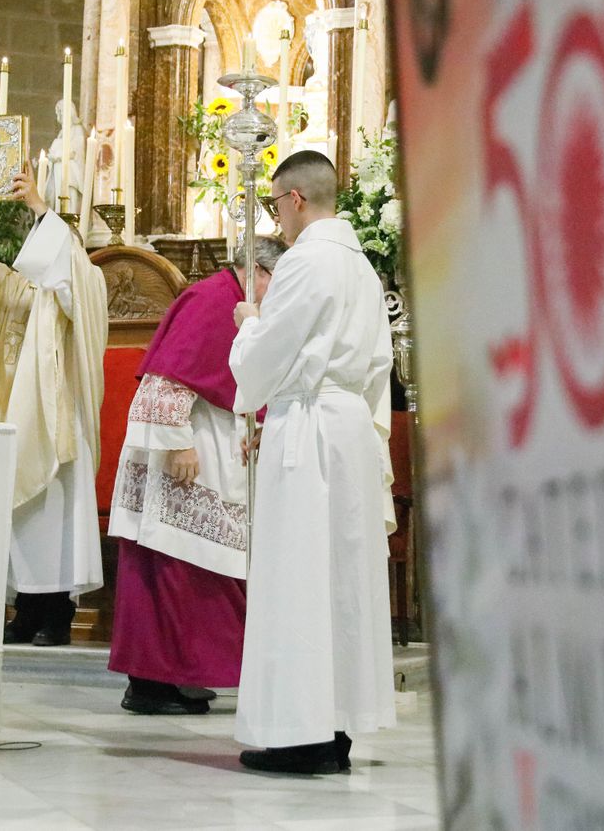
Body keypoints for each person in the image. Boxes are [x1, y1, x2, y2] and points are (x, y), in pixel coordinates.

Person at [228, 150, 397, 774]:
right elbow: (381, 367)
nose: (276, 219)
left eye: (276, 206)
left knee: (299, 578)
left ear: (295, 200)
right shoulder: (363, 268)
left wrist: (250, 323)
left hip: (308, 431)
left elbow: (265, 359)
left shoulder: (305, 261)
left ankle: (301, 735)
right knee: (343, 582)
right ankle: (337, 728)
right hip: (350, 429)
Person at [108, 235, 288, 715]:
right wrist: (179, 443)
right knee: (171, 568)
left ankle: (176, 677)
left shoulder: (234, 300)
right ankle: (151, 685)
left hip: (205, 443)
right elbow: (165, 376)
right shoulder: (213, 298)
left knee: (192, 568)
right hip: (182, 452)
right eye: (277, 282)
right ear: (258, 273)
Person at [0, 163, 109, 646]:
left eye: (47, 237)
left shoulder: (84, 280)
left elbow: (66, 272)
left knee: (54, 516)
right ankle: (25, 608)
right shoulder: (18, 286)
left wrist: (38, 204)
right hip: (15, 415)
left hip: (59, 418)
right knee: (17, 515)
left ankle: (56, 609)